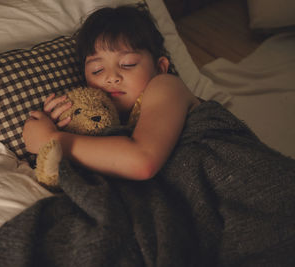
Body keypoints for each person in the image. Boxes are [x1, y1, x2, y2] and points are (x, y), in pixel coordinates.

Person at [22, 5, 200, 180]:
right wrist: (63, 124)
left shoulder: (165, 85)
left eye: (127, 64)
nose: (111, 77)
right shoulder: (108, 122)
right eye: (97, 70)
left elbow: (142, 162)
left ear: (160, 67)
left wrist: (51, 140)